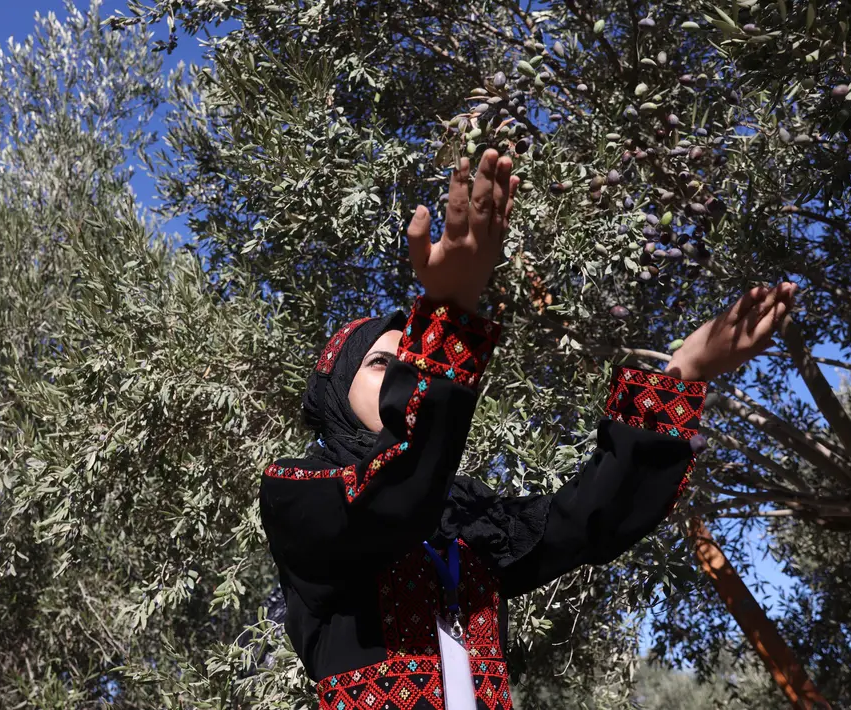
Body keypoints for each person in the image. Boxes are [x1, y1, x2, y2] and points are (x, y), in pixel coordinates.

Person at [258, 149, 796, 710]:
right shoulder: (301, 489)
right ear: (334, 393)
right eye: (379, 363)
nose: (400, 370)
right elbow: (391, 498)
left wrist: (683, 372)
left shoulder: (466, 519)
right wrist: (450, 312)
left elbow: (588, 518)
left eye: (408, 357)